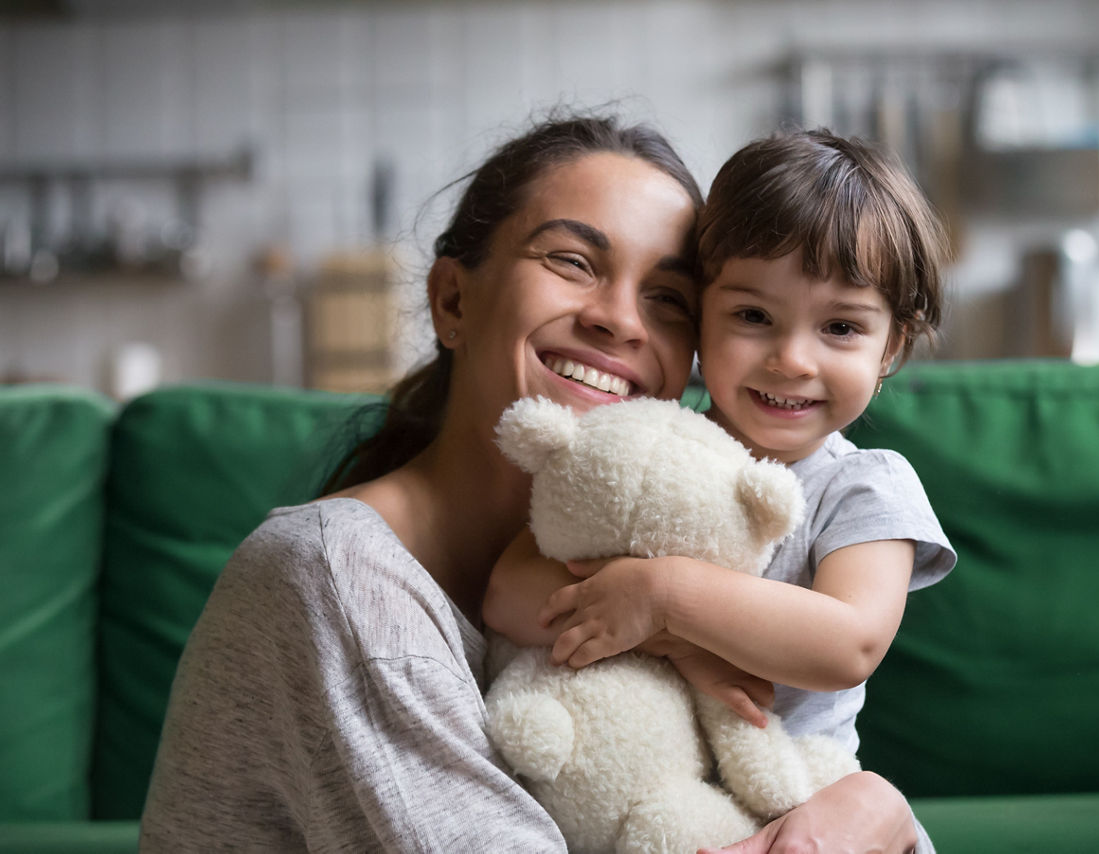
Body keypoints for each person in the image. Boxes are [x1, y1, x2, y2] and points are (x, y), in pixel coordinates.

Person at [139, 113, 927, 853]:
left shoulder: (699, 513)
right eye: (573, 262)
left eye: (667, 298)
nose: (621, 321)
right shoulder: (335, 579)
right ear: (453, 300)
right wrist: (877, 816)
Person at [484, 130, 955, 853]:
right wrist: (679, 649)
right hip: (658, 800)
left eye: (840, 327)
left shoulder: (863, 483)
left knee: (860, 803)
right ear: (701, 316)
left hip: (805, 797)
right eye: (753, 317)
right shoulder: (647, 447)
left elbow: (848, 642)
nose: (792, 358)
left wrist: (666, 599)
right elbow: (511, 590)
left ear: (891, 346)